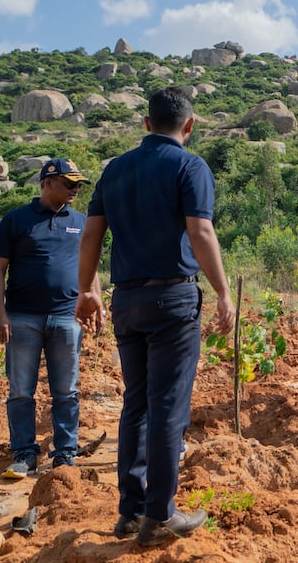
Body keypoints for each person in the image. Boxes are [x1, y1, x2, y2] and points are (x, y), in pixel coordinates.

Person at [76, 87, 235, 547]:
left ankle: (129, 510)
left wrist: (88, 289)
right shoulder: (190, 166)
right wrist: (224, 292)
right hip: (173, 300)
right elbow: (200, 230)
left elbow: (91, 234)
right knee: (168, 407)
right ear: (189, 125)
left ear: (147, 124)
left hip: (126, 301)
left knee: (137, 403)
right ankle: (160, 515)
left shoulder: (116, 170)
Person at [0, 158, 98, 478]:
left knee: (66, 391)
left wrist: (96, 302)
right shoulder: (16, 220)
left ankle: (65, 454)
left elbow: (89, 267)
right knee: (21, 391)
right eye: (69, 184)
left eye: (78, 185)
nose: (75, 190)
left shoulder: (80, 221)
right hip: (22, 317)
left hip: (67, 318)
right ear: (47, 182)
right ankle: (24, 453)